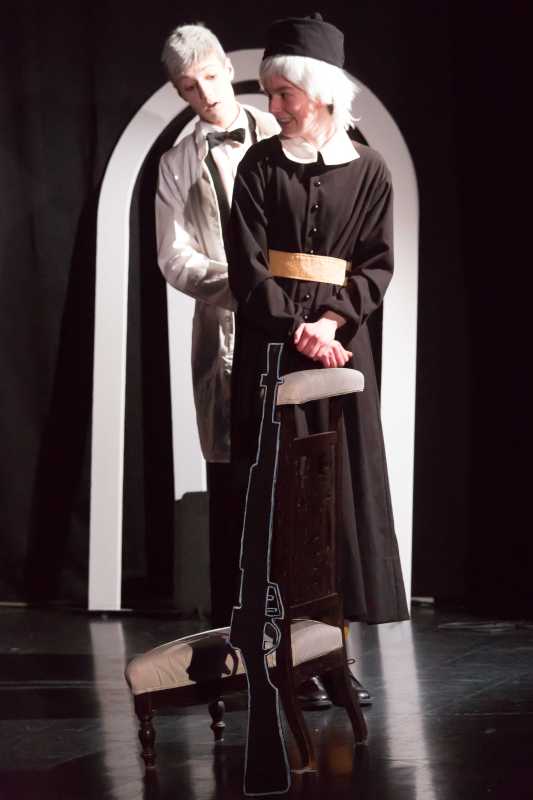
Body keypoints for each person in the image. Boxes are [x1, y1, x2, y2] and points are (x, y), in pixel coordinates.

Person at [228, 13, 410, 707]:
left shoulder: (370, 169)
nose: (273, 107)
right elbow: (246, 266)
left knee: (335, 503)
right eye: (270, 94)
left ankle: (333, 658)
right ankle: (285, 658)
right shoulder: (258, 166)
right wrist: (296, 326)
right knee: (280, 501)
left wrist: (331, 321)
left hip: (339, 349)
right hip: (273, 350)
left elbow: (376, 263)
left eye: (285, 94)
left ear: (321, 92)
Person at [155, 24, 278, 630]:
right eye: (188, 86)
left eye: (208, 76)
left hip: (293, 321)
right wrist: (243, 288)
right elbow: (173, 256)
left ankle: (306, 630)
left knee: (295, 472)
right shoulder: (177, 163)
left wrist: (284, 294)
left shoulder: (279, 132)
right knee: (234, 480)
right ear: (178, 92)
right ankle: (240, 630)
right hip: (226, 330)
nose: (203, 93)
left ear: (228, 68)